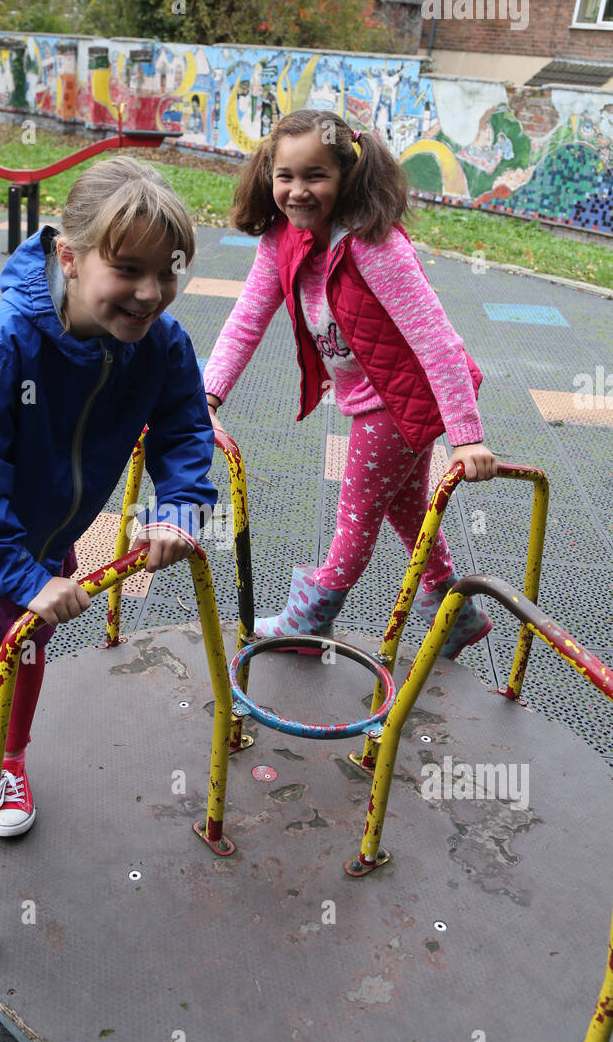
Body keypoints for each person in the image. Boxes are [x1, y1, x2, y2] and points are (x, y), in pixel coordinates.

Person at [0, 157, 217, 838]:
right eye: (128, 271)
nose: (151, 293)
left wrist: (180, 505)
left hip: (40, 523)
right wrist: (24, 577)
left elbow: (183, 425)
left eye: (169, 270)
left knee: (27, 644)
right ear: (69, 257)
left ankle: (11, 759)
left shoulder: (160, 344)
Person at [202, 108, 497, 658]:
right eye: (285, 176)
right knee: (406, 509)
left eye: (316, 175)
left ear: (347, 175)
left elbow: (437, 340)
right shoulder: (282, 243)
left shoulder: (375, 248)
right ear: (268, 175)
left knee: (356, 515)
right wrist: (208, 397)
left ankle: (309, 619)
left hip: (398, 402)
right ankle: (454, 611)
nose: (297, 191)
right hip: (372, 399)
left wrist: (467, 435)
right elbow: (246, 320)